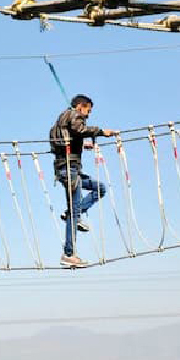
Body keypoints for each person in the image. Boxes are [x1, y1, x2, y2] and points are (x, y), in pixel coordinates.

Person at [49, 95, 115, 268]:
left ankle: (75, 213)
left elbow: (71, 135)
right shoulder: (74, 115)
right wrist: (101, 132)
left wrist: (81, 143)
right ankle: (69, 254)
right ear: (81, 106)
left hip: (71, 170)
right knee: (74, 212)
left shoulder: (63, 118)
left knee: (99, 188)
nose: (88, 115)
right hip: (69, 170)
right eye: (88, 110)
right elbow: (79, 129)